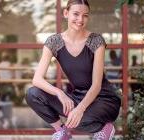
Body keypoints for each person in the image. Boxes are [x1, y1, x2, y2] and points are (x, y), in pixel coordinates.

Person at [25, 0, 121, 140]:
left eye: (85, 15)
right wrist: (60, 94)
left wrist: (79, 109)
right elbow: (37, 79)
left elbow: (96, 85)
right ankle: (62, 131)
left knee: (75, 119)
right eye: (76, 14)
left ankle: (105, 128)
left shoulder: (96, 41)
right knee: (33, 94)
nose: (80, 19)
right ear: (66, 13)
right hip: (78, 96)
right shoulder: (54, 42)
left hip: (104, 99)